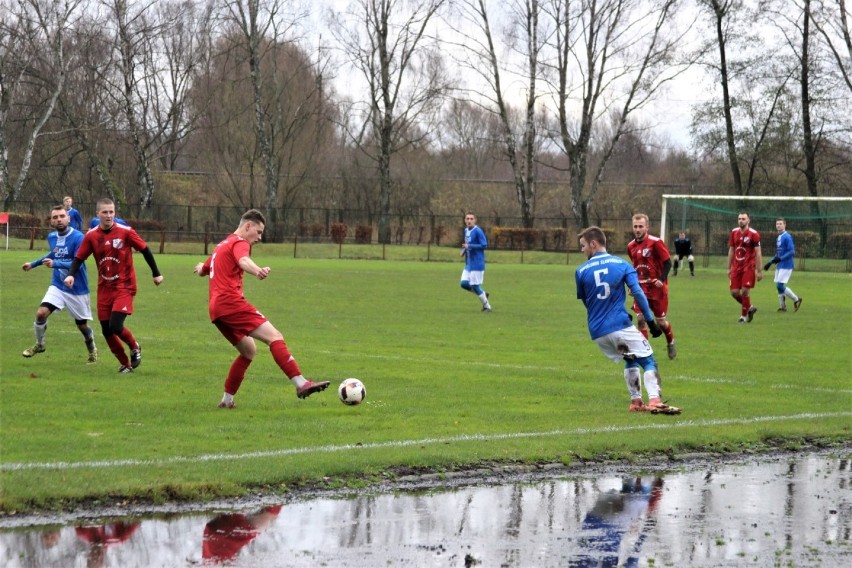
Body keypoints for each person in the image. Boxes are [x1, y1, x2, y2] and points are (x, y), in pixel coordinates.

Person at [194, 209, 330, 408]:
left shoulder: (221, 245)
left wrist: (199, 268)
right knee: (274, 336)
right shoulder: (240, 243)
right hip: (230, 303)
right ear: (247, 226)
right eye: (258, 232)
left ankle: (227, 401)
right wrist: (257, 270)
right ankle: (301, 383)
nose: (259, 237)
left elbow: (205, 269)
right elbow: (243, 260)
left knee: (248, 351)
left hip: (216, 310)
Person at [575, 226, 681, 414]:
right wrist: (650, 322)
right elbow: (638, 294)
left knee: (630, 358)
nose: (581, 249)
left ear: (593, 244)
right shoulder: (622, 264)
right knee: (648, 360)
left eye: (582, 246)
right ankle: (655, 400)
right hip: (619, 326)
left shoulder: (581, 271)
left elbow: (587, 303)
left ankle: (636, 402)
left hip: (598, 332)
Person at [64, 197, 163, 373]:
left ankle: (134, 346)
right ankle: (126, 363)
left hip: (124, 286)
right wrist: (71, 275)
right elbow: (79, 258)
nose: (109, 215)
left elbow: (145, 249)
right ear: (98, 214)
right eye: (105, 212)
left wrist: (156, 273)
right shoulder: (92, 236)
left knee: (115, 326)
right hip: (104, 288)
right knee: (106, 330)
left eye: (111, 212)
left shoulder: (126, 231)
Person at [21, 205, 98, 362]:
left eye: (62, 216)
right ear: (51, 221)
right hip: (58, 285)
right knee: (41, 313)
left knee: (82, 326)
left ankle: (91, 348)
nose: (59, 219)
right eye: (55, 217)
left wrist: (55, 263)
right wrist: (33, 264)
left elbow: (79, 262)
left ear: (68, 218)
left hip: (77, 288)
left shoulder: (78, 238)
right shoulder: (52, 237)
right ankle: (40, 344)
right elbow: (53, 253)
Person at [626, 213, 677, 360]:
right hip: (640, 289)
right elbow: (635, 267)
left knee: (661, 322)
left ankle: (670, 342)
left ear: (647, 227)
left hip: (657, 290)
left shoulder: (656, 243)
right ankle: (644, 352)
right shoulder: (630, 246)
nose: (637, 229)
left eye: (641, 226)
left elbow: (668, 262)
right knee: (641, 319)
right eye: (635, 226)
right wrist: (632, 284)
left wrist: (661, 279)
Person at [202, 505, 282, 563]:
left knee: (266, 519)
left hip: (223, 538)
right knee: (265, 520)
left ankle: (278, 497)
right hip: (215, 535)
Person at [727, 211, 763, 323]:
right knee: (734, 292)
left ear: (748, 220)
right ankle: (750, 307)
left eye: (743, 219)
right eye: (739, 218)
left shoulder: (754, 234)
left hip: (748, 267)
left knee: (745, 291)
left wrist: (759, 270)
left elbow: (758, 253)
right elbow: (731, 250)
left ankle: (743, 317)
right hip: (736, 267)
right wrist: (729, 267)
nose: (741, 221)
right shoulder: (734, 232)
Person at [764, 218, 802, 312]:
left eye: (780, 224)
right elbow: (778, 254)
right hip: (780, 265)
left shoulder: (787, 237)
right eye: (777, 224)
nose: (778, 225)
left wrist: (780, 259)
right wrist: (770, 262)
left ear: (785, 225)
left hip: (787, 265)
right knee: (778, 286)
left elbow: (791, 252)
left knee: (780, 286)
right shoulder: (779, 237)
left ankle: (796, 299)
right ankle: (782, 307)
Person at [459, 211, 492, 312]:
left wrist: (469, 246)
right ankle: (483, 293)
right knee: (464, 284)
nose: (469, 221)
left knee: (474, 285)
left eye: (471, 219)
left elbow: (484, 245)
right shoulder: (466, 230)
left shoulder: (478, 231)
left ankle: (487, 306)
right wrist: (464, 250)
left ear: (475, 220)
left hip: (477, 263)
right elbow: (468, 243)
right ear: (465, 220)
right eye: (467, 219)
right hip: (469, 263)